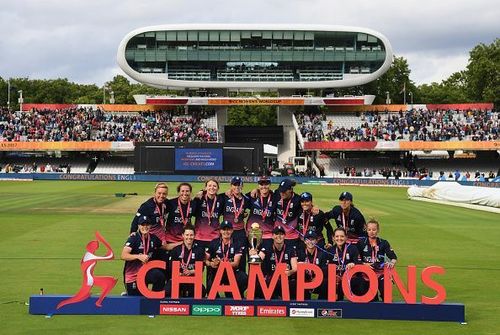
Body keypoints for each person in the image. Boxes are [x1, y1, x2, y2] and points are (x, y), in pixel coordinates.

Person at [56, 232, 117, 309]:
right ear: (91, 247)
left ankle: (98, 302)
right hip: (89, 280)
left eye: (96, 246)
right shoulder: (90, 256)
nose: (96, 247)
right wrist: (103, 241)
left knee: (110, 281)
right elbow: (110, 256)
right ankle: (97, 302)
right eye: (95, 246)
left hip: (89, 278)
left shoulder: (89, 255)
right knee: (109, 282)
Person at [121, 215, 165, 296]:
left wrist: (182, 243)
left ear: (150, 226)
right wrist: (138, 256)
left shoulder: (153, 238)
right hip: (133, 276)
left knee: (159, 276)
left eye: (147, 224)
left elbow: (165, 247)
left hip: (146, 272)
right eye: (142, 225)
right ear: (138, 226)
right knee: (135, 300)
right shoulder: (133, 238)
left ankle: (154, 298)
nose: (145, 227)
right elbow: (123, 255)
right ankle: (127, 295)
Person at [250, 225, 297, 299]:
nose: (279, 236)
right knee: (258, 285)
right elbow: (258, 260)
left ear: (284, 236)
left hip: (284, 280)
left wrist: (290, 272)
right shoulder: (267, 247)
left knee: (294, 284)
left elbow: (295, 268)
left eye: (281, 234)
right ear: (272, 236)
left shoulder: (290, 249)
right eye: (276, 234)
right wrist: (254, 255)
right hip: (270, 280)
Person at [357, 219, 397, 301]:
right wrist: (365, 264)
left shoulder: (384, 243)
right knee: (371, 299)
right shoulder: (361, 243)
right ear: (366, 230)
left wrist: (392, 262)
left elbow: (393, 257)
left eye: (374, 229)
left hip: (380, 273)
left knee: (386, 295)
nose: (371, 232)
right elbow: (356, 259)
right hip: (366, 275)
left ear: (378, 230)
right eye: (369, 230)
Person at [206, 221, 248, 298]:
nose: (226, 232)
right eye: (224, 229)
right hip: (218, 273)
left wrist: (220, 263)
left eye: (228, 229)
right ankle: (216, 304)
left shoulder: (237, 243)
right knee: (210, 287)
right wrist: (211, 263)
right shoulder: (214, 242)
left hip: (232, 273)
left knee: (243, 278)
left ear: (232, 230)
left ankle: (237, 296)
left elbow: (236, 263)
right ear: (220, 231)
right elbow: (205, 259)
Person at [166, 225, 207, 297]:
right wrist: (179, 273)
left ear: (194, 236)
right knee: (168, 290)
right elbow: (170, 266)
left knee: (202, 291)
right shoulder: (176, 250)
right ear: (183, 235)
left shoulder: (199, 250)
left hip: (192, 279)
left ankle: (193, 307)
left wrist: (191, 271)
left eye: (191, 235)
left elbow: (201, 268)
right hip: (178, 278)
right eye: (187, 235)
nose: (189, 237)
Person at [221, 176, 251, 270]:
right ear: (231, 186)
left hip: (240, 232)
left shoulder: (246, 199)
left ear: (242, 186)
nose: (237, 187)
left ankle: (241, 279)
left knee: (241, 257)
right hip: (227, 232)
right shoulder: (225, 197)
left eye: (239, 185)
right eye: (235, 185)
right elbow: (211, 195)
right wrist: (202, 190)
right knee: (225, 254)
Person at [330, 227, 362, 300]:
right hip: (336, 280)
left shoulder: (353, 248)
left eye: (342, 236)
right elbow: (325, 267)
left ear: (346, 237)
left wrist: (354, 264)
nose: (339, 238)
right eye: (337, 236)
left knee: (359, 283)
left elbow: (359, 262)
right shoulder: (330, 250)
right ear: (333, 238)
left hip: (349, 279)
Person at [296, 230, 330, 299]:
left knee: (326, 282)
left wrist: (317, 278)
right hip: (305, 280)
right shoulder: (300, 253)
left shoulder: (322, 254)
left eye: (312, 239)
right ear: (304, 241)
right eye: (308, 239)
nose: (310, 242)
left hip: (318, 280)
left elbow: (325, 269)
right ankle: (304, 304)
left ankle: (321, 304)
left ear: (316, 241)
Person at [164, 183, 198, 251]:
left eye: (187, 191)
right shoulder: (170, 203)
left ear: (190, 192)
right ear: (178, 192)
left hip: (186, 238)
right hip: (171, 238)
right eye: (182, 191)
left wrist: (202, 191)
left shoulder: (193, 204)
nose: (185, 193)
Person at [193, 179, 224, 251]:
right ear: (206, 187)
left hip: (215, 237)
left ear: (218, 188)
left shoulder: (221, 200)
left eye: (214, 186)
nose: (212, 188)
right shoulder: (199, 198)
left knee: (213, 261)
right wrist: (201, 191)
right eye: (209, 186)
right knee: (199, 261)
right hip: (199, 237)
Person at [271, 178, 302, 249]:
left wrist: (313, 207)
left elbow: (307, 207)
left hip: (292, 237)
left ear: (291, 190)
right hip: (278, 235)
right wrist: (256, 190)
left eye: (284, 191)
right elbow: (265, 192)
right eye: (280, 191)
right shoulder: (277, 194)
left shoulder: (297, 200)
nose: (282, 193)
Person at [246, 176, 275, 246]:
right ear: (258, 185)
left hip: (268, 236)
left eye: (266, 184)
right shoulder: (252, 196)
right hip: (253, 234)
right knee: (253, 256)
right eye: (261, 184)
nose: (264, 186)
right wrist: (230, 191)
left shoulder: (274, 197)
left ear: (270, 185)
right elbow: (238, 198)